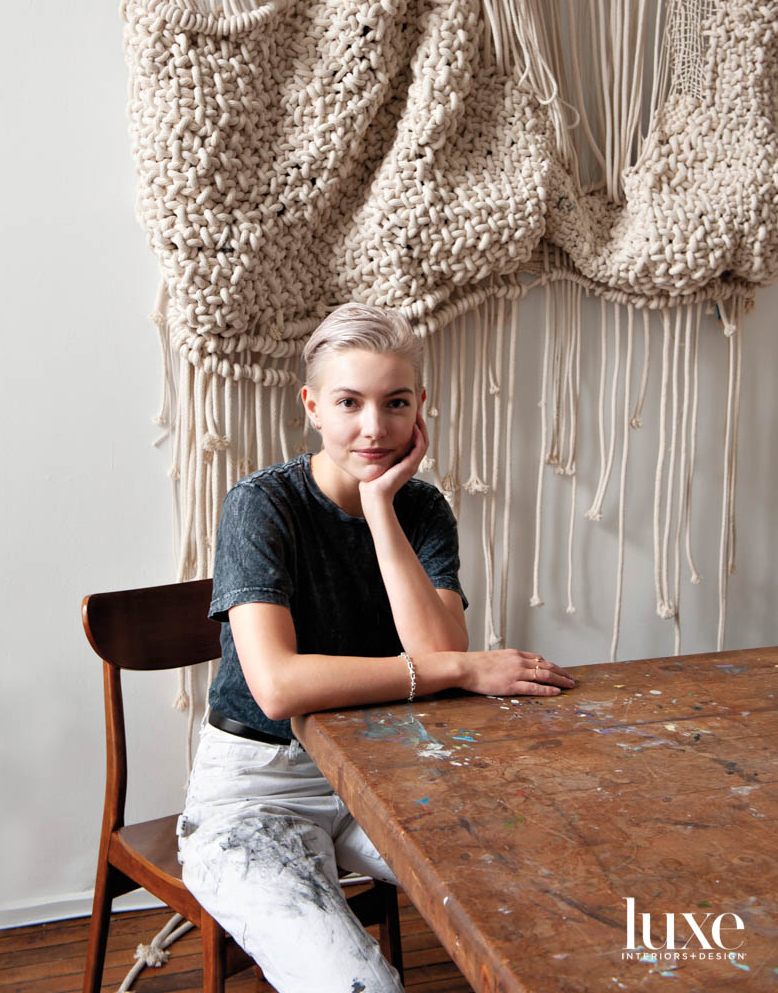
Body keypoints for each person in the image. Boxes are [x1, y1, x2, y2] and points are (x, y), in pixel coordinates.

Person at [177, 302, 575, 993]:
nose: (373, 427)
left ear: (420, 406)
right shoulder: (261, 505)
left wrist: (382, 506)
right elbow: (278, 686)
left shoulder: (420, 508)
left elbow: (438, 647)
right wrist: (456, 669)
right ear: (312, 407)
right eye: (349, 402)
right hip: (258, 790)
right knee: (362, 986)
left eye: (395, 403)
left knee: (543, 888)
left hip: (384, 775)